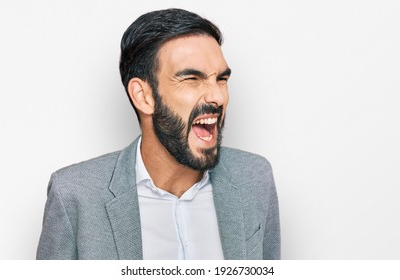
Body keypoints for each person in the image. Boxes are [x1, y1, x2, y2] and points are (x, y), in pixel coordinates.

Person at [36, 8, 280, 260]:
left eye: (221, 79)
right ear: (143, 96)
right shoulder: (74, 195)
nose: (217, 97)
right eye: (192, 79)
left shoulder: (255, 179)